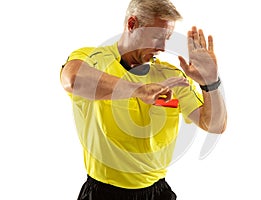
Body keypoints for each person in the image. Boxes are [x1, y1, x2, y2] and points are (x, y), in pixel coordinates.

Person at [60, 0, 227, 199]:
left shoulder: (171, 77)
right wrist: (138, 90)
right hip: (103, 192)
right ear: (132, 24)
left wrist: (210, 83)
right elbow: (72, 79)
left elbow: (214, 125)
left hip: (157, 192)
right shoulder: (94, 58)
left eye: (167, 39)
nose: (163, 47)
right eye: (157, 37)